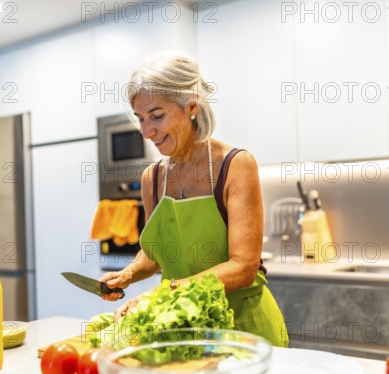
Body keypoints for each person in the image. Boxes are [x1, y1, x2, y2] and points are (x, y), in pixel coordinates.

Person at [99, 52, 288, 347]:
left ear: (191, 106)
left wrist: (163, 293)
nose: (147, 132)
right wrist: (128, 274)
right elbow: (156, 254)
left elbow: (243, 268)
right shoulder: (154, 178)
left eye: (157, 116)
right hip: (181, 328)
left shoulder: (236, 165)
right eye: (141, 119)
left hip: (243, 330)